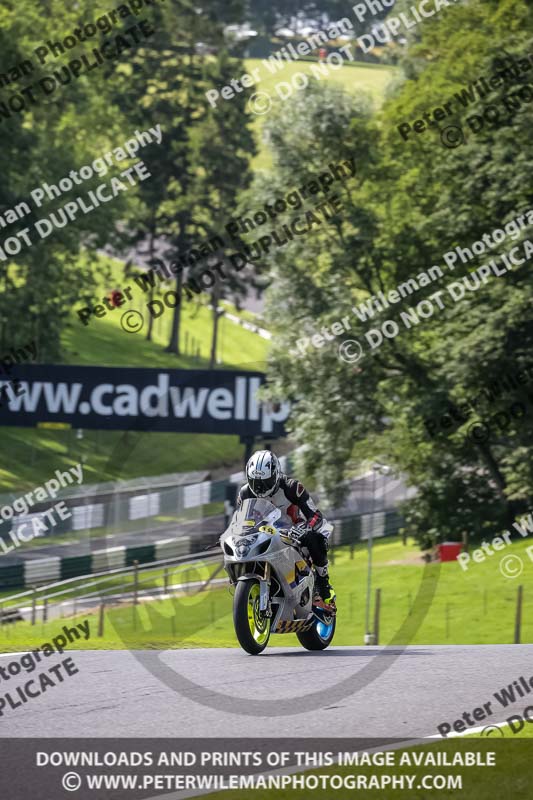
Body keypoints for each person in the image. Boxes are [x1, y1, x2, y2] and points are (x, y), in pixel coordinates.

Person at [237, 449, 335, 610]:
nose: (260, 488)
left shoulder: (292, 487)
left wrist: (306, 528)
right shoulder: (245, 493)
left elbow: (316, 515)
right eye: (255, 482)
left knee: (315, 537)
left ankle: (323, 582)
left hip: (293, 533)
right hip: (263, 534)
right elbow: (240, 521)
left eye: (265, 482)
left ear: (275, 475)